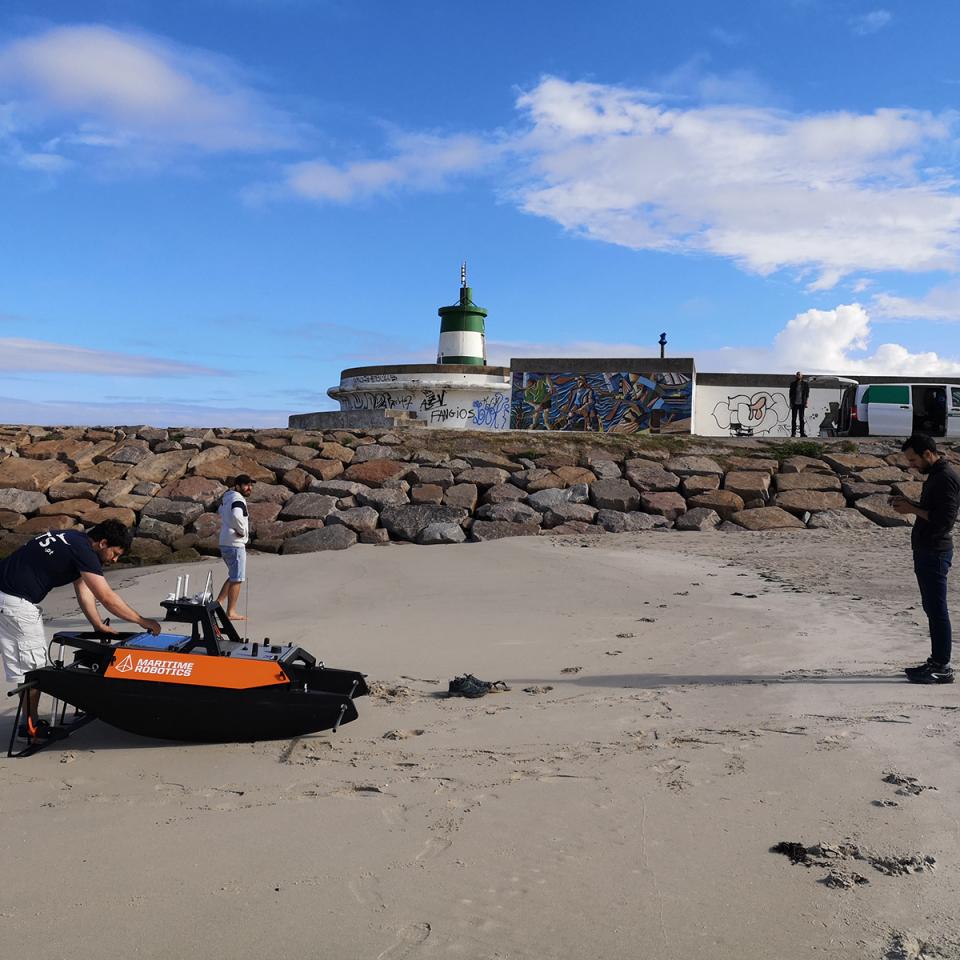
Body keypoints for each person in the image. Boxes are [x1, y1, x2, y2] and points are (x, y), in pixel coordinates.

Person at [0, 520, 161, 740]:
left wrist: (97, 625)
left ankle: (29, 723)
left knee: (27, 666)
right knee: (34, 669)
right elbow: (106, 597)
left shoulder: (73, 539)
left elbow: (83, 588)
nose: (115, 560)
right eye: (115, 553)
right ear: (103, 543)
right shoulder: (84, 551)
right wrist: (142, 621)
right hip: (14, 602)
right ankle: (29, 728)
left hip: (5, 595)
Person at [891, 434, 960, 684]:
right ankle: (936, 660)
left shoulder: (945, 478)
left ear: (927, 454)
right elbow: (934, 509)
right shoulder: (936, 475)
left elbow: (945, 520)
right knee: (932, 608)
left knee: (937, 610)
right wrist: (911, 504)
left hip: (935, 551)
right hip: (928, 550)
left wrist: (912, 509)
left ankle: (942, 666)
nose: (911, 465)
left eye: (913, 460)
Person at [216, 474, 253, 620]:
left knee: (233, 575)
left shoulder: (227, 497)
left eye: (250, 485)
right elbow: (237, 515)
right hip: (235, 544)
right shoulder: (238, 499)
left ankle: (218, 603)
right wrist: (242, 530)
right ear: (237, 486)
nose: (249, 487)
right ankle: (231, 612)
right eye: (246, 485)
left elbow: (220, 511)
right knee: (237, 578)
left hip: (225, 541)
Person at [789, 371, 809, 437]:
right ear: (796, 376)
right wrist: (791, 403)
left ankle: (802, 433)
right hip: (794, 403)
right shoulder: (793, 384)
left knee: (801, 418)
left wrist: (806, 402)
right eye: (797, 375)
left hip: (801, 404)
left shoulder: (805, 384)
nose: (798, 376)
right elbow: (790, 394)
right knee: (793, 419)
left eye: (799, 375)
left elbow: (807, 394)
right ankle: (793, 433)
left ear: (802, 376)